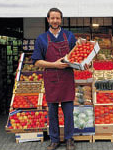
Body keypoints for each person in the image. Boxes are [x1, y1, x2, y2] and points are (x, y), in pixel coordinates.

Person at [31, 8, 77, 150]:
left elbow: (77, 56)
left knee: (68, 112)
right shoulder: (41, 39)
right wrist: (54, 65)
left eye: (57, 18)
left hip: (67, 79)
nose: (55, 20)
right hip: (51, 79)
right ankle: (54, 140)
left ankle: (69, 139)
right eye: (52, 18)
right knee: (52, 112)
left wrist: (84, 63)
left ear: (61, 20)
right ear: (48, 20)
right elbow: (37, 62)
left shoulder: (69, 36)